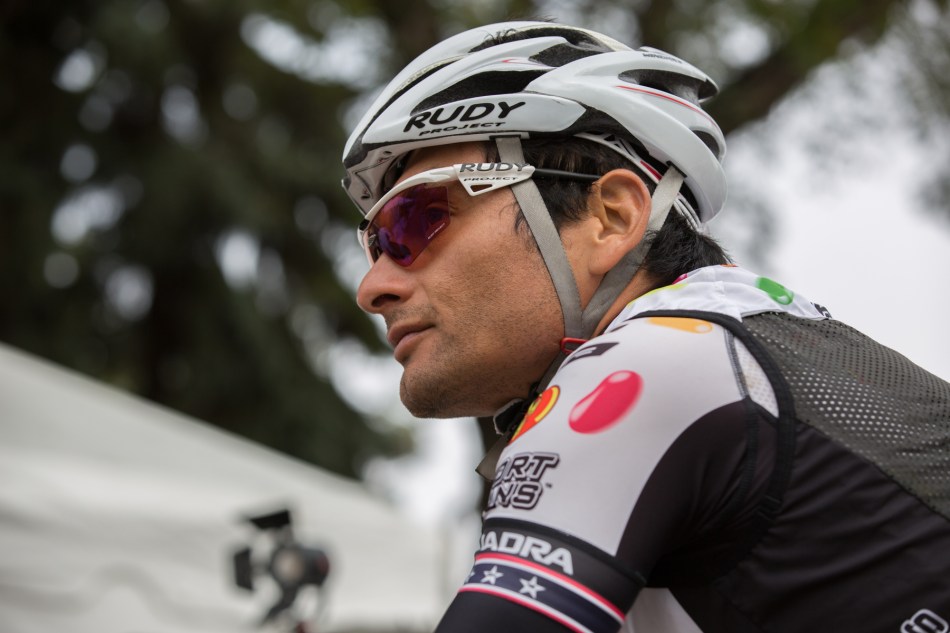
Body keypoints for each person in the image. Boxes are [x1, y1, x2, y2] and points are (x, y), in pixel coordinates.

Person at [342, 20, 950, 633]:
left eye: (414, 222)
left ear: (610, 217)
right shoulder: (776, 347)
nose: (372, 289)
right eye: (374, 245)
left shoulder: (647, 364)